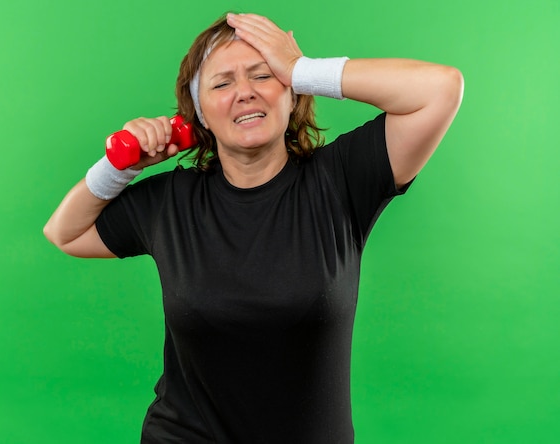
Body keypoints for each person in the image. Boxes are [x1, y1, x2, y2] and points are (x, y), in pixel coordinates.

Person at [44, 12, 463, 444]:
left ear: (293, 94)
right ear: (199, 115)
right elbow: (65, 232)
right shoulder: (171, 201)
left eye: (264, 75)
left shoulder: (340, 181)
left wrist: (302, 68)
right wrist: (119, 168)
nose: (244, 93)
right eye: (222, 84)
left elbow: (440, 89)